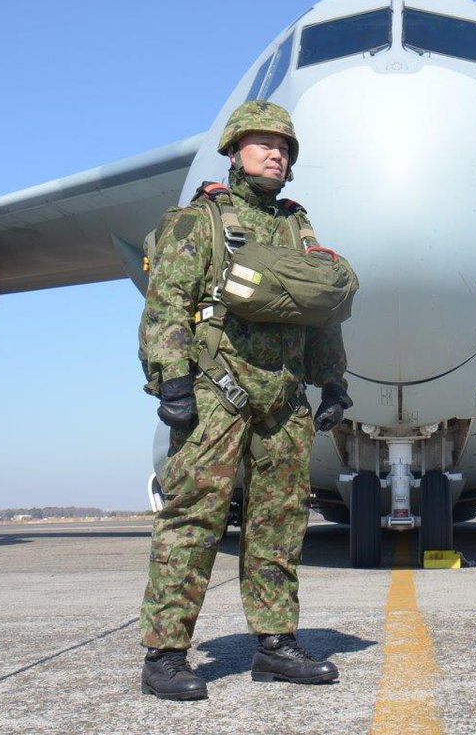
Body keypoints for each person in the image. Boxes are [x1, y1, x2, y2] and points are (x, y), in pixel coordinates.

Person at [137, 100, 352, 700]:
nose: (274, 152)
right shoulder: (197, 221)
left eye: (283, 145)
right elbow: (166, 306)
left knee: (279, 523)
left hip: (283, 399)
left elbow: (320, 312)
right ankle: (166, 653)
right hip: (216, 392)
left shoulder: (296, 227)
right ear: (234, 151)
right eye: (261, 143)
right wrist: (171, 381)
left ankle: (275, 643)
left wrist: (333, 380)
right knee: (193, 519)